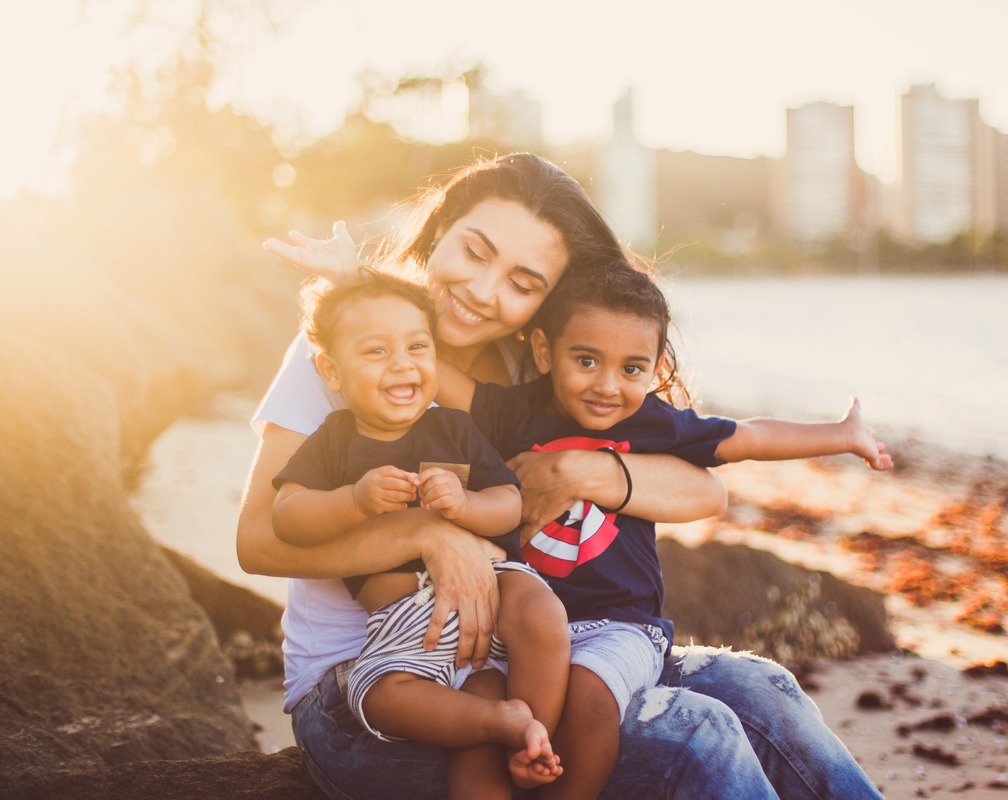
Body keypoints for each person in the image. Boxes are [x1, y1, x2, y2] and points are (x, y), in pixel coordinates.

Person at [239, 152, 887, 799]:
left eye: (523, 283)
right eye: (475, 251)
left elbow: (705, 489)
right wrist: (430, 536)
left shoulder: (542, 375)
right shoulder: (356, 345)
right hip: (372, 686)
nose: (485, 291)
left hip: (521, 660)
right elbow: (258, 540)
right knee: (697, 734)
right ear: (438, 232)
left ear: (550, 301)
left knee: (760, 688)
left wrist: (582, 468)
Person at [432, 262, 891, 800]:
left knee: (590, 696)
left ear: (655, 367)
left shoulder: (652, 424)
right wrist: (353, 283)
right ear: (542, 351)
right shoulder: (514, 412)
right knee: (495, 711)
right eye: (585, 361)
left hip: (620, 627)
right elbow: (442, 375)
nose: (607, 386)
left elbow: (747, 438)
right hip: (527, 633)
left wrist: (840, 434)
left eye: (632, 369)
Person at [270, 271, 568, 797]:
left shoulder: (452, 427)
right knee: (385, 698)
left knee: (543, 613)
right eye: (376, 352)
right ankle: (504, 723)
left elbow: (510, 505)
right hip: (407, 632)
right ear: (331, 372)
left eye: (417, 346)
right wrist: (352, 500)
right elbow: (286, 518)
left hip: (490, 594)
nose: (403, 363)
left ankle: (535, 737)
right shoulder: (333, 442)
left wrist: (467, 504)